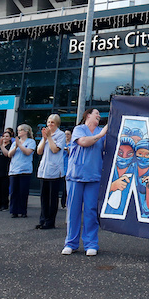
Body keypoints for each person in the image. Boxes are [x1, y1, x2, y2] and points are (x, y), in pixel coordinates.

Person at [62, 108, 111, 256]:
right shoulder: (79, 129)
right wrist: (101, 134)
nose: (98, 116)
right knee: (73, 211)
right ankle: (71, 243)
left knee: (90, 211)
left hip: (94, 176)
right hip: (76, 176)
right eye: (96, 113)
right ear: (88, 115)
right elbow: (83, 142)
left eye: (99, 115)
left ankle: (91, 244)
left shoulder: (102, 131)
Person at [36, 114, 66, 229]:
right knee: (43, 196)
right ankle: (42, 219)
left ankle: (50, 221)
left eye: (52, 122)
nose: (49, 124)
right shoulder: (46, 136)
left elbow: (54, 149)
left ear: (57, 124)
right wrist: (44, 139)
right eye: (48, 122)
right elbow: (39, 151)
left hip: (54, 171)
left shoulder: (60, 135)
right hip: (44, 170)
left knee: (52, 198)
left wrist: (49, 138)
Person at [7, 124, 36, 217]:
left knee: (23, 191)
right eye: (18, 130)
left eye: (20, 130)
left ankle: (23, 211)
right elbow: (9, 154)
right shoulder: (15, 142)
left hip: (25, 170)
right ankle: (14, 211)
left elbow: (28, 152)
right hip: (14, 169)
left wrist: (20, 145)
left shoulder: (31, 142)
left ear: (26, 131)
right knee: (14, 191)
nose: (19, 132)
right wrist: (16, 146)